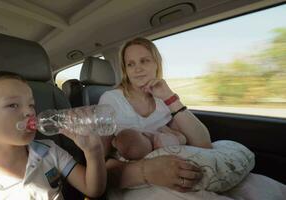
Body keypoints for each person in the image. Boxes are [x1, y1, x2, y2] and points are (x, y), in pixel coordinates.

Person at [99, 37, 286, 199]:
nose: (137, 69)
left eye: (144, 61)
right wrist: (146, 171)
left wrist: (169, 97)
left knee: (261, 188)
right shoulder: (111, 100)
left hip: (176, 168)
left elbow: (203, 143)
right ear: (125, 69)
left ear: (157, 64)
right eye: (130, 64)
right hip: (135, 180)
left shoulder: (162, 97)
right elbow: (100, 159)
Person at [0, 71, 106, 199]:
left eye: (31, 105)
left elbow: (92, 189)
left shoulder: (49, 151)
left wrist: (93, 151)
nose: (29, 112)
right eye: (13, 105)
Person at [112, 126, 185, 160]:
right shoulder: (163, 141)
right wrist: (168, 130)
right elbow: (183, 139)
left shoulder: (146, 161)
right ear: (145, 134)